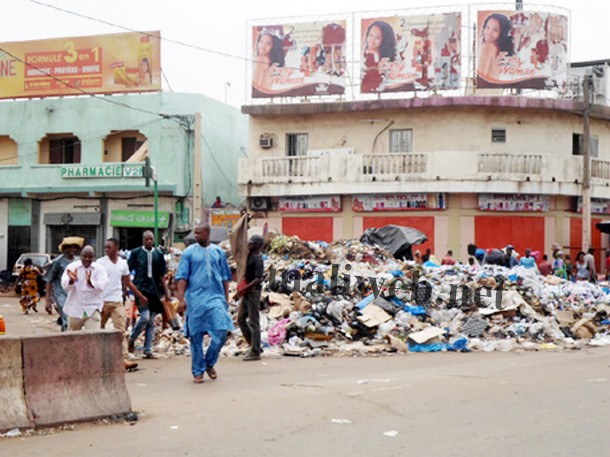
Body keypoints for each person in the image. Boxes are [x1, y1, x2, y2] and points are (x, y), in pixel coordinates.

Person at [176, 224, 234, 384]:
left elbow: (224, 277)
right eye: (195, 233)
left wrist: (226, 298)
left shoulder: (218, 252)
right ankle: (198, 371)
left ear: (207, 233)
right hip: (195, 299)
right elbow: (182, 277)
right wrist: (181, 299)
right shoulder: (188, 253)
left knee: (222, 331)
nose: (196, 236)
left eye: (199, 233)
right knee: (195, 336)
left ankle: (209, 362)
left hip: (215, 298)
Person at [98, 238, 148, 371]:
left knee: (121, 331)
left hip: (117, 301)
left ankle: (124, 359)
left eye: (109, 247)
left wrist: (141, 296)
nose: (106, 250)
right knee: (98, 330)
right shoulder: (100, 263)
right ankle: (98, 359)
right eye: (105, 247)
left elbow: (128, 283)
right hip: (102, 302)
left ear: (116, 248)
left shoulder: (122, 264)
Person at [127, 231, 170, 359]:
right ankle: (132, 338)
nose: (149, 241)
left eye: (151, 239)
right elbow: (127, 272)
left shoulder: (158, 254)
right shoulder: (136, 253)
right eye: (147, 239)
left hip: (155, 290)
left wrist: (166, 292)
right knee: (144, 317)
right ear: (143, 240)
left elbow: (162, 275)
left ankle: (148, 349)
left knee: (151, 321)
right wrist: (126, 288)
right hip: (141, 289)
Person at [61, 245, 108, 331]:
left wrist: (91, 283)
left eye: (90, 257)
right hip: (75, 309)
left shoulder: (99, 269)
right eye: (84, 256)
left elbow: (102, 286)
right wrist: (71, 280)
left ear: (93, 258)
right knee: (72, 339)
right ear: (80, 256)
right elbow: (64, 286)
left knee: (93, 336)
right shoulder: (72, 267)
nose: (87, 259)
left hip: (92, 309)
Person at [234, 235, 264, 361]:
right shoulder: (250, 255)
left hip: (253, 292)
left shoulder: (258, 259)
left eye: (251, 243)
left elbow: (258, 279)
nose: (249, 245)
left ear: (257, 245)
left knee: (253, 322)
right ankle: (254, 345)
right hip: (247, 291)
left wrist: (242, 289)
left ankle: (255, 352)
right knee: (240, 319)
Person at [44, 236, 84, 331]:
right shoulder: (58, 262)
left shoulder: (78, 261)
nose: (72, 250)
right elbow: (49, 279)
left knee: (75, 317)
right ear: (65, 248)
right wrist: (48, 299)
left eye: (74, 247)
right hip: (60, 294)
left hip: (74, 294)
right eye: (69, 247)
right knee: (67, 316)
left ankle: (65, 334)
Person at [362, 20, 396, 92]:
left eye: (377, 37)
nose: (372, 40)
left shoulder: (375, 55)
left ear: (384, 40)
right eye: (370, 35)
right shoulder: (366, 53)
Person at [478, 13, 514, 81]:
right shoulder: (498, 49)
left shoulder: (488, 46)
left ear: (501, 33)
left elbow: (481, 76)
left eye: (495, 30)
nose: (489, 32)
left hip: (485, 89)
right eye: (487, 27)